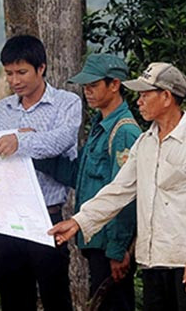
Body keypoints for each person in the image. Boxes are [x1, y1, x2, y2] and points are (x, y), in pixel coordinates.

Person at [48, 62, 186, 311]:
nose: (139, 101)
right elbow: (119, 190)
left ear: (166, 97)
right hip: (153, 261)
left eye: (145, 94)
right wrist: (79, 221)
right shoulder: (145, 142)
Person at [0, 34, 82, 311]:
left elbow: (61, 141)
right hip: (8, 218)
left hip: (47, 217)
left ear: (41, 68)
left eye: (21, 72)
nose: (15, 80)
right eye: (9, 73)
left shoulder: (67, 103)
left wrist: (20, 140)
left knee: (56, 297)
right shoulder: (1, 110)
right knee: (13, 296)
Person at [34, 53, 140, 311]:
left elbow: (125, 195)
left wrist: (118, 250)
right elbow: (76, 174)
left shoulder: (124, 131)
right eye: (85, 87)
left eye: (93, 86)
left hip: (109, 244)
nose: (87, 92)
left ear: (114, 85)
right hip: (95, 240)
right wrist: (30, 148)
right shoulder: (99, 126)